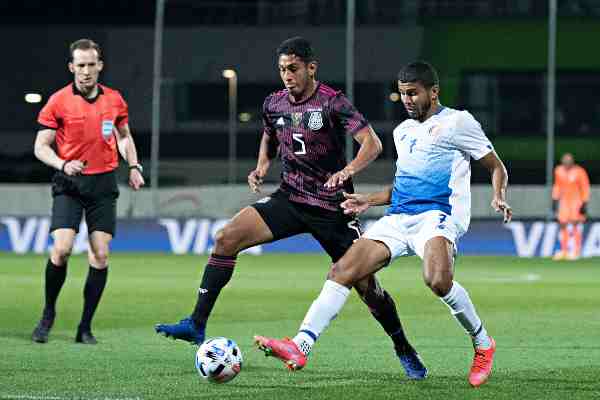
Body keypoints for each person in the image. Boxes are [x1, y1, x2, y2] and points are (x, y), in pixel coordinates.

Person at [155, 37, 427, 379]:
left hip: (332, 206)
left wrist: (348, 171)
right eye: (282, 69)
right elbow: (270, 135)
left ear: (310, 68)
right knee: (226, 238)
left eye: (293, 69)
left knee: (366, 287)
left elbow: (372, 144)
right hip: (291, 198)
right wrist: (261, 166)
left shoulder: (333, 102)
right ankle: (196, 323)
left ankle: (402, 345)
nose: (287, 75)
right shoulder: (274, 103)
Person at [254, 61, 513, 388]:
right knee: (343, 270)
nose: (406, 99)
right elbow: (404, 187)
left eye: (413, 93)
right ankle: (300, 346)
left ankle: (482, 342)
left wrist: (498, 195)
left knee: (437, 281)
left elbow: (496, 166)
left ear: (433, 92)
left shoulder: (458, 122)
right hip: (398, 218)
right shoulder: (403, 132)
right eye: (402, 93)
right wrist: (368, 200)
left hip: (437, 216)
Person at [31, 39, 145, 344]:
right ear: (71, 67)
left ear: (99, 66)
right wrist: (62, 163)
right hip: (69, 184)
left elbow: (124, 137)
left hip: (103, 183)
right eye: (79, 65)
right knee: (63, 249)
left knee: (101, 255)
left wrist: (134, 166)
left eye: (90, 64)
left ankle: (85, 327)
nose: (85, 71)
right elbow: (40, 146)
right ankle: (48, 313)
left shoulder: (115, 101)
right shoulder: (57, 101)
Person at [552, 153, 590, 260]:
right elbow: (557, 186)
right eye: (565, 161)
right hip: (564, 201)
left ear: (572, 161)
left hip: (576, 201)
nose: (566, 163)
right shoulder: (558, 170)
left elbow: (585, 187)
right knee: (562, 224)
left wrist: (585, 202)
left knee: (575, 224)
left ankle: (576, 251)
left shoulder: (580, 171)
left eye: (568, 161)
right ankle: (564, 251)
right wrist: (555, 199)